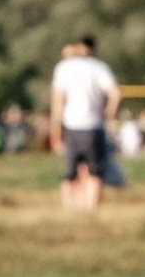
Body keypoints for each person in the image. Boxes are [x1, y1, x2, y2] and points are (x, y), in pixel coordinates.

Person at [48, 35, 119, 206]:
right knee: (95, 172)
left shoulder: (64, 68)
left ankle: (69, 208)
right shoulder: (99, 67)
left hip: (70, 125)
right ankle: (91, 209)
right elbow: (115, 93)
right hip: (93, 125)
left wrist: (55, 125)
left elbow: (58, 99)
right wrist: (108, 113)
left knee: (69, 172)